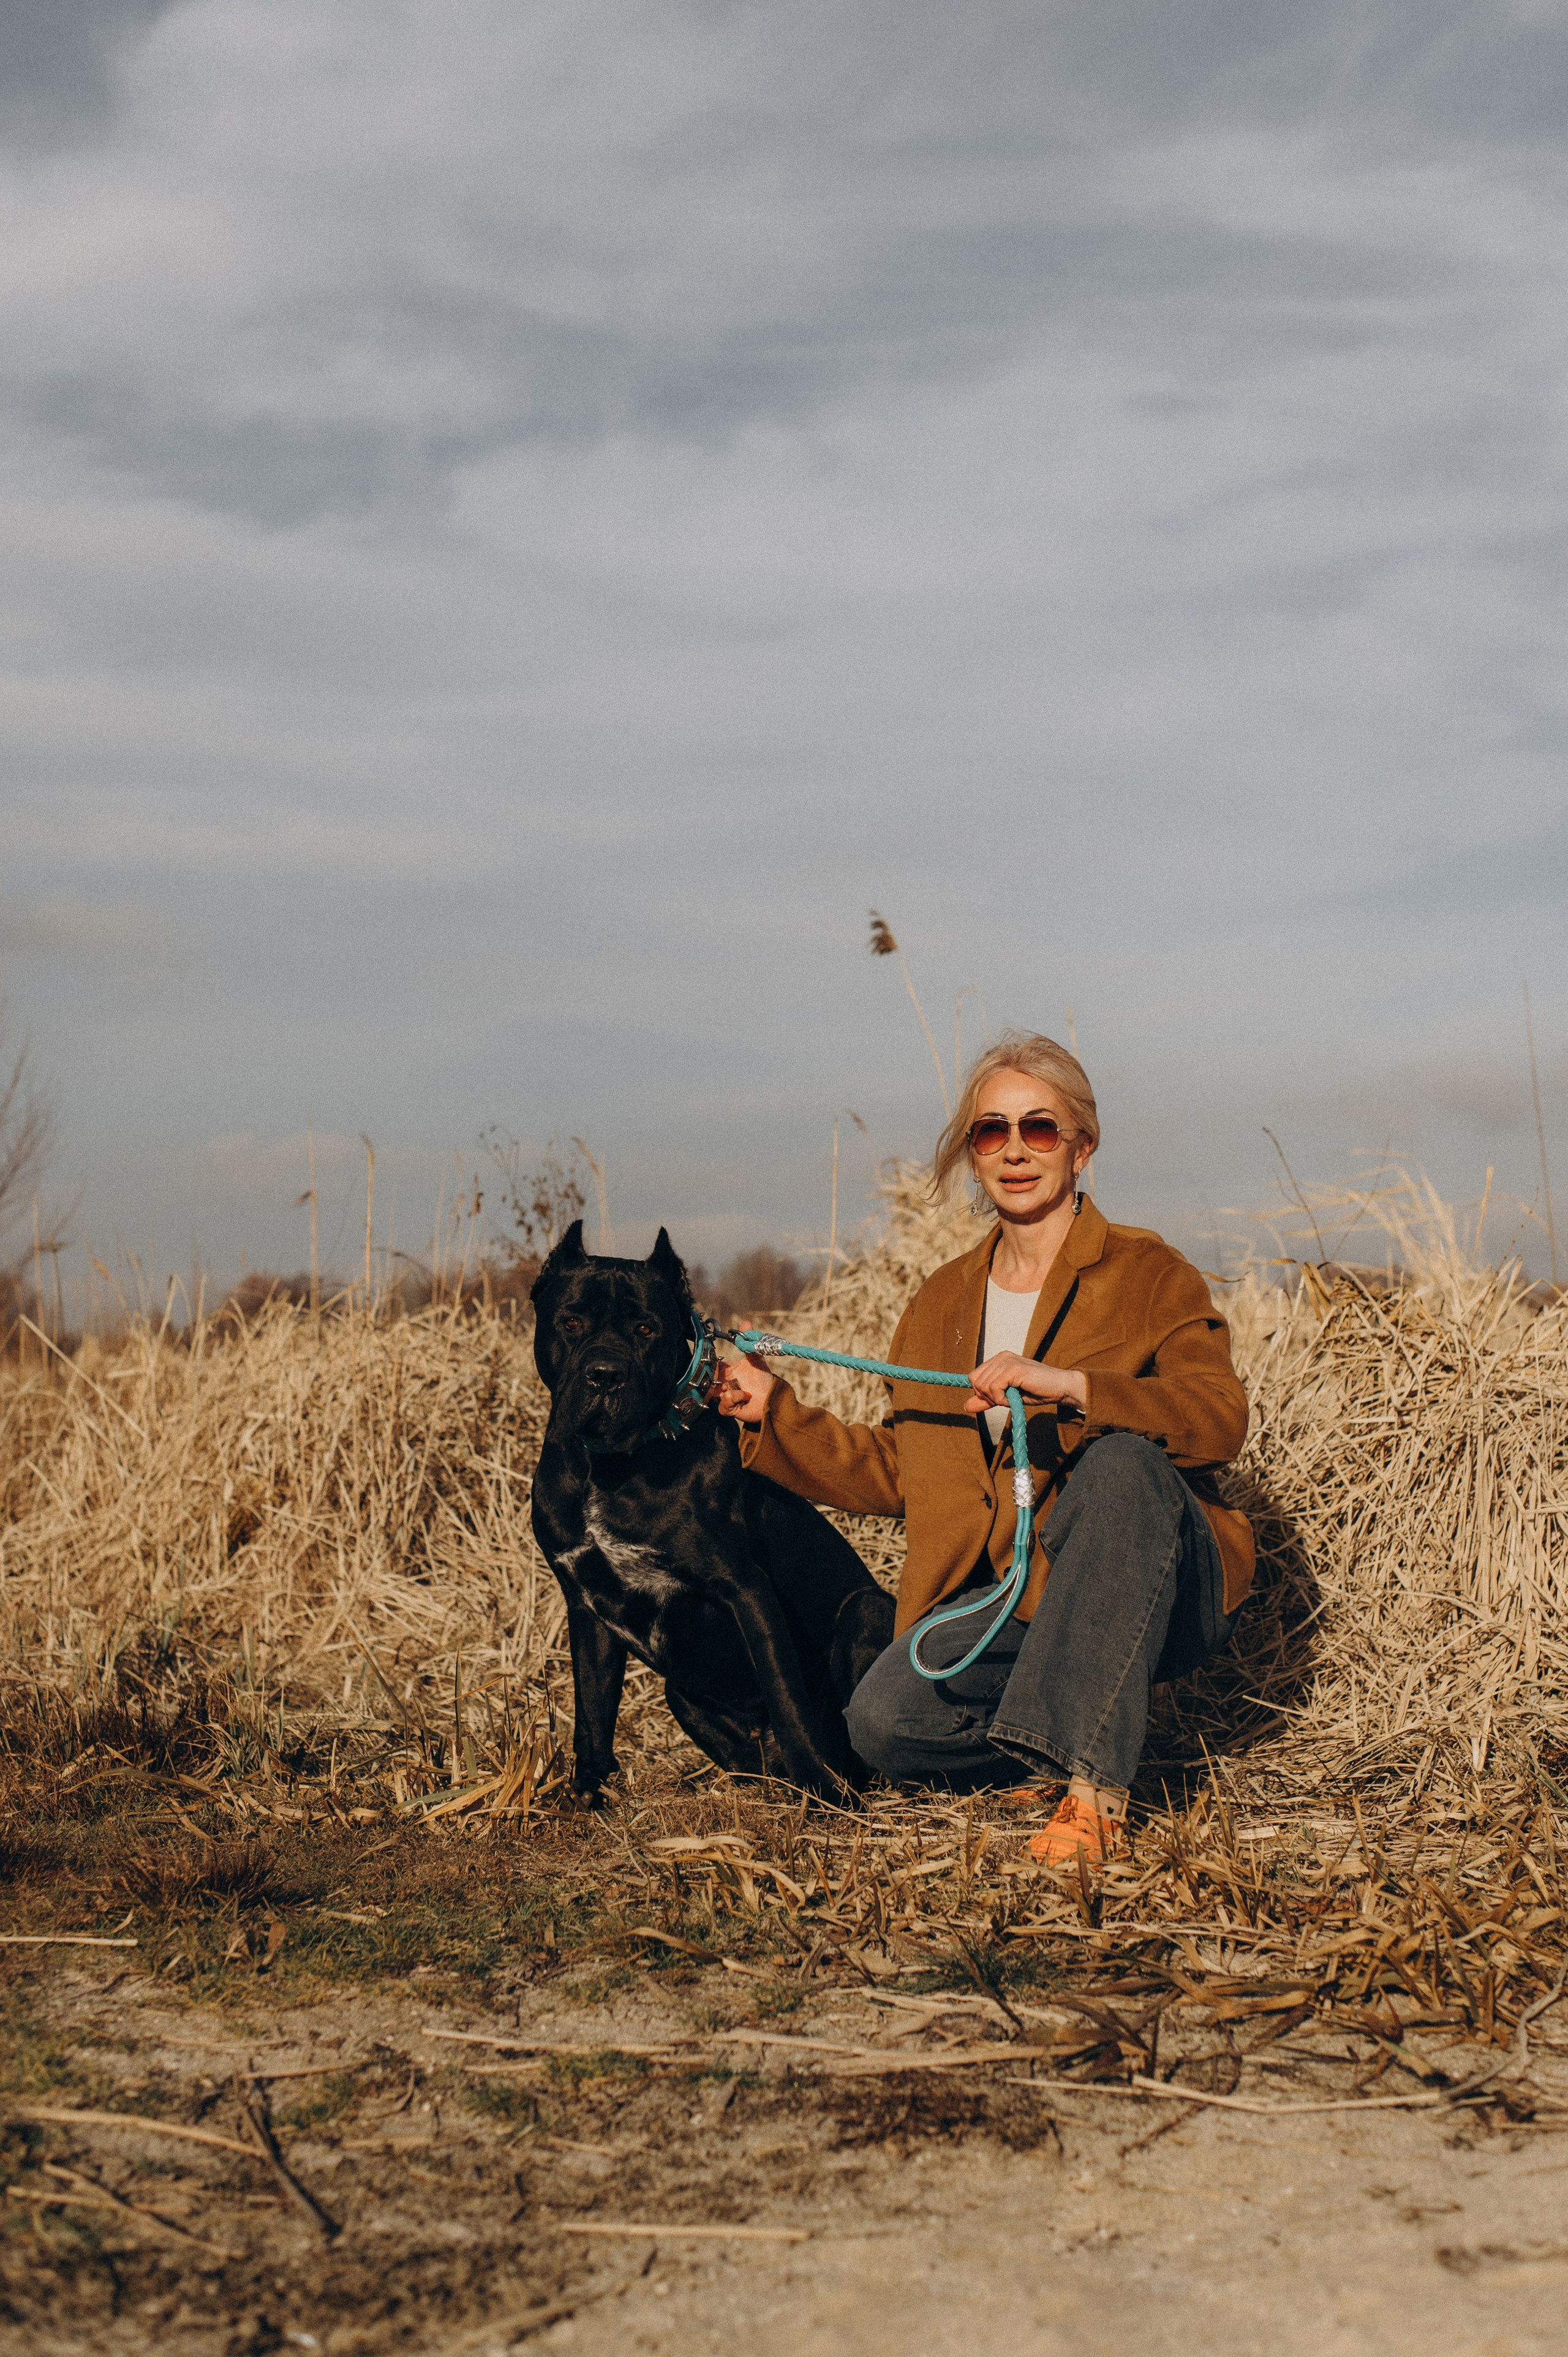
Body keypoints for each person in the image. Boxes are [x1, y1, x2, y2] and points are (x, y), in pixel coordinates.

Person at [715, 1031, 1253, 1866]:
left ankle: (1092, 1796)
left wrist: (1075, 1387)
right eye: (989, 1132)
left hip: (1161, 1579)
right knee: (882, 1723)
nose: (1014, 1151)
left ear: (1083, 1145)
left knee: (1120, 1463)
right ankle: (1050, 1737)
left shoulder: (1148, 1272)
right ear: (970, 1153)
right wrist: (772, 1414)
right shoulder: (940, 1301)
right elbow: (906, 1470)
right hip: (1015, 1602)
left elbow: (1218, 1418)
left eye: (1039, 1129)